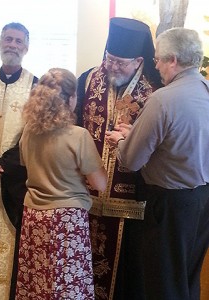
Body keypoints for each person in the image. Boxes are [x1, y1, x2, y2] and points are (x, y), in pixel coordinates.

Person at [106, 27, 209, 300]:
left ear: (173, 60)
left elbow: (132, 160)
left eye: (159, 60)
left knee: (163, 283)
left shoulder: (163, 99)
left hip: (169, 206)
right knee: (187, 279)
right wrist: (135, 134)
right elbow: (180, 142)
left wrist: (120, 140)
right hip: (201, 201)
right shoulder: (205, 89)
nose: (158, 67)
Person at [76, 17, 162, 299]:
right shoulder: (88, 79)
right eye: (109, 59)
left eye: (119, 63)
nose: (111, 67)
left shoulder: (156, 92)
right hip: (85, 198)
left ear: (138, 61)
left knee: (126, 277)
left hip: (132, 203)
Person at [15, 68, 107, 299]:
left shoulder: (28, 131)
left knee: (37, 281)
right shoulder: (78, 135)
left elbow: (26, 164)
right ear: (71, 98)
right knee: (67, 284)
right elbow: (100, 184)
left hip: (34, 216)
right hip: (66, 220)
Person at [0, 22, 38, 299]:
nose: (12, 45)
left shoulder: (36, 87)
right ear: (0, 42)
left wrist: (1, 166)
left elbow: (33, 136)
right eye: (8, 39)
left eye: (18, 41)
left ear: (26, 47)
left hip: (13, 184)